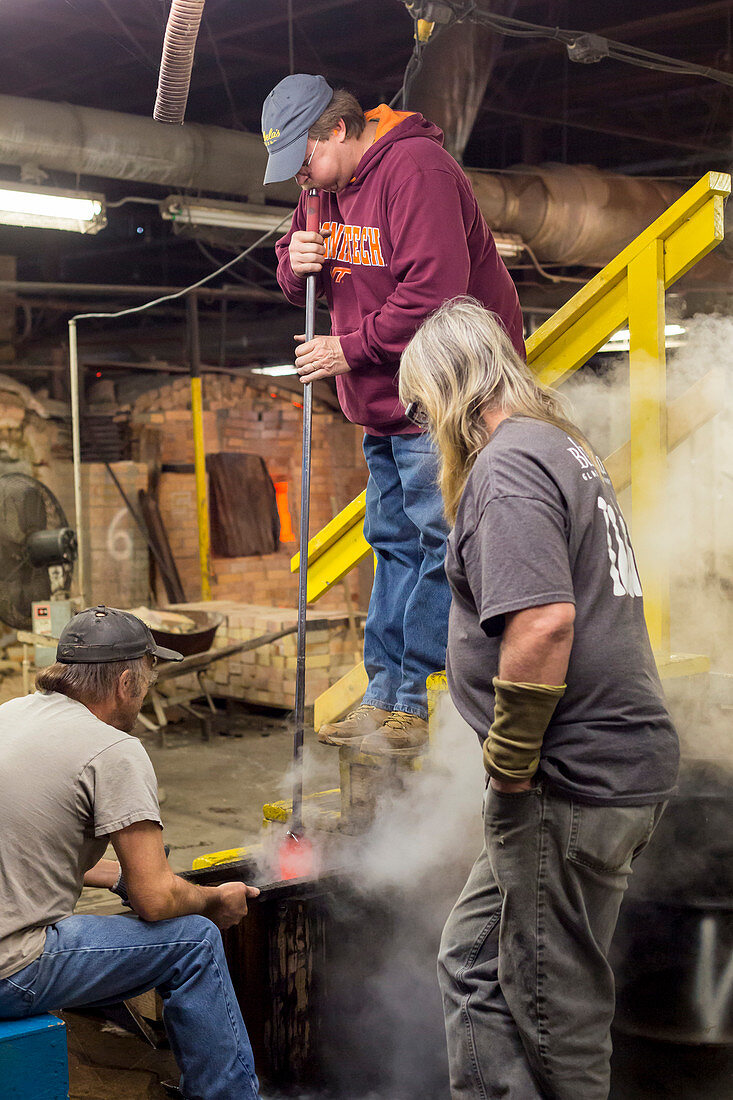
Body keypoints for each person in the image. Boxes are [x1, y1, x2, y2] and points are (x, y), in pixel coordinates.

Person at [398, 299, 679, 1099]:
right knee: (472, 961)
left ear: (453, 391)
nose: (424, 429)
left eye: (423, 407)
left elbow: (545, 621)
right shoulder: (563, 448)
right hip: (598, 767)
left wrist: (510, 768)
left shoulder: (510, 464)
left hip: (566, 781)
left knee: (556, 1013)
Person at [261, 74, 524, 756]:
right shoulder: (321, 190)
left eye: (303, 158)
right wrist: (296, 261)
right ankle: (387, 695)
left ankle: (423, 696)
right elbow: (293, 276)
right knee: (393, 544)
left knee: (441, 544)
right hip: (384, 400)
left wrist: (348, 349)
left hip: (446, 393)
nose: (299, 179)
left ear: (338, 131)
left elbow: (437, 292)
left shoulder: (416, 169)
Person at [0, 605, 261, 1100]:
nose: (145, 694)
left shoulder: (11, 714)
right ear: (125, 684)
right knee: (195, 941)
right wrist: (211, 899)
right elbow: (156, 901)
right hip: (9, 969)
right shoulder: (112, 749)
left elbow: (32, 844)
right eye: (147, 681)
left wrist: (120, 876)